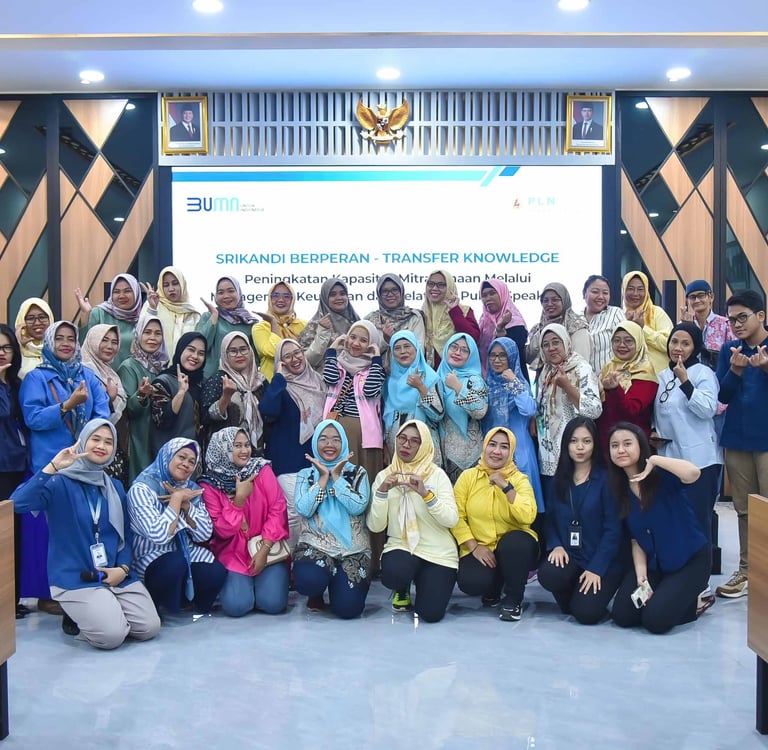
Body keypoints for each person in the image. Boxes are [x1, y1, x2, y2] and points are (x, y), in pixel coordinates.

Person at [12, 420, 160, 648]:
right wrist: (52, 467)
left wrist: (123, 568)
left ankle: (103, 609)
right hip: (75, 578)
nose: (101, 446)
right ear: (82, 442)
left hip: (114, 575)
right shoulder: (58, 482)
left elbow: (126, 534)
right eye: (95, 439)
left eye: (109, 442)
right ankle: (88, 613)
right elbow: (18, 503)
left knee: (149, 628)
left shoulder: (114, 486)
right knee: (112, 637)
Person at [608, 422, 709, 634]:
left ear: (641, 445)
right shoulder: (619, 490)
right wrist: (641, 574)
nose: (621, 450)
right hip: (656, 565)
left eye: (627, 444)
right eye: (614, 445)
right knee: (623, 616)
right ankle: (669, 594)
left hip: (689, 560)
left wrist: (655, 459)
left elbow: (693, 473)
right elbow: (635, 539)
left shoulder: (661, 475)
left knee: (655, 621)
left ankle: (694, 600)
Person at [653, 322, 722, 613]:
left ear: (695, 347)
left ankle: (701, 586)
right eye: (674, 342)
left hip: (700, 462)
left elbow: (707, 410)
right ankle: (680, 578)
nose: (678, 348)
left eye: (685, 343)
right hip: (671, 460)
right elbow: (661, 414)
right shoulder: (662, 375)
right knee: (676, 521)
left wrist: (685, 382)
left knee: (698, 524)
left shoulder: (703, 373)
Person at [368, 420, 459, 622]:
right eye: (402, 438)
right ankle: (403, 585)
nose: (406, 445)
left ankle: (424, 580)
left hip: (438, 551)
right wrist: (382, 492)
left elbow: (451, 519)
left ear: (424, 445)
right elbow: (375, 526)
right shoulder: (384, 476)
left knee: (430, 615)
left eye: (414, 441)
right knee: (395, 573)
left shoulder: (437, 475)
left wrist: (426, 495)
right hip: (402, 546)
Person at [537, 417, 623, 624]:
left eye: (586, 441)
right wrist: (556, 545)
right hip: (571, 554)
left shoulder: (607, 480)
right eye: (574, 441)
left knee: (586, 614)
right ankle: (576, 594)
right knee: (549, 575)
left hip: (601, 559)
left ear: (595, 444)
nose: (580, 447)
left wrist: (596, 568)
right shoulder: (558, 480)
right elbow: (550, 520)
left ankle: (588, 594)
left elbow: (613, 531)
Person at [127, 438, 226, 614]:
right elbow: (159, 535)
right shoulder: (142, 489)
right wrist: (176, 500)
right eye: (181, 457)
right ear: (168, 456)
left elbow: (204, 534)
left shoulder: (191, 489)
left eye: (192, 461)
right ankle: (157, 605)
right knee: (174, 564)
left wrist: (187, 506)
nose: (186, 464)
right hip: (151, 555)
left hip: (184, 551)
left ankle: (190, 605)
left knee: (215, 571)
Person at [452, 427, 539, 621]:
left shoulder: (520, 479)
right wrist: (474, 546)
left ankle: (514, 599)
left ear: (511, 451)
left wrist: (506, 487)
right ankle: (493, 587)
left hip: (515, 549)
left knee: (514, 543)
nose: (497, 451)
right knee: (471, 582)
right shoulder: (468, 477)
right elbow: (456, 516)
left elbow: (528, 516)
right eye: (492, 444)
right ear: (484, 447)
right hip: (481, 546)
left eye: (504, 447)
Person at [200, 428, 289, 617]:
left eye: (247, 445)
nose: (245, 451)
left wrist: (264, 549)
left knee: (273, 604)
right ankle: (248, 588)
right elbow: (222, 530)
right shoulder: (209, 485)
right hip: (233, 554)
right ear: (223, 449)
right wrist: (238, 501)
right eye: (237, 446)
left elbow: (277, 509)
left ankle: (261, 586)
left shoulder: (261, 470)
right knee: (237, 607)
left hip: (266, 548)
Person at [715, 290, 768, 598]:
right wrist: (735, 370)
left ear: (761, 316)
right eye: (732, 320)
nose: (736, 325)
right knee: (744, 509)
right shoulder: (729, 350)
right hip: (737, 439)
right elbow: (722, 395)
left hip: (766, 440)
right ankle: (747, 571)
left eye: (742, 317)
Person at [293, 420, 371, 618]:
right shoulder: (305, 475)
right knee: (309, 580)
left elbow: (358, 506)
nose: (330, 444)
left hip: (353, 550)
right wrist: (322, 479)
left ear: (344, 443)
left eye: (336, 439)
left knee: (348, 609)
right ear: (315, 443)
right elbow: (304, 509)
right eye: (323, 439)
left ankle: (337, 583)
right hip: (316, 546)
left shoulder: (358, 473)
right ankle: (317, 590)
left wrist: (336, 478)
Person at [258, 339, 325, 549]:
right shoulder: (280, 386)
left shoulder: (318, 381)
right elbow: (268, 410)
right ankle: (291, 557)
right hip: (287, 459)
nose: (294, 359)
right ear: (280, 361)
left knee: (315, 510)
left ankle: (310, 554)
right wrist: (278, 378)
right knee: (294, 512)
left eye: (297, 353)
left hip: (315, 458)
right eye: (287, 356)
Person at [536, 324, 602, 485]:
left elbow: (595, 410)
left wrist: (567, 387)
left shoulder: (581, 368)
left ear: (566, 342)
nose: (551, 348)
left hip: (573, 450)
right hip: (547, 452)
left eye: (556, 342)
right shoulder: (546, 371)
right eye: (546, 344)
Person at [483, 337, 543, 512]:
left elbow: (529, 409)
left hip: (519, 452)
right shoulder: (487, 385)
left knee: (522, 503)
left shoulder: (519, 383)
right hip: (494, 452)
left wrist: (513, 381)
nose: (497, 360)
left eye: (502, 355)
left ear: (511, 357)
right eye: (493, 355)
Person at [117, 315, 169, 482]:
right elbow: (128, 409)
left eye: (157, 333)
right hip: (140, 436)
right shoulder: (129, 366)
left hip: (160, 435)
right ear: (138, 335)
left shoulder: (163, 366)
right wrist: (141, 395)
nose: (152, 338)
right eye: (147, 332)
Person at [0, 325, 30, 618]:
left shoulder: (18, 385)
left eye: (6, 347)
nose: (1, 353)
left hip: (16, 467)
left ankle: (12, 598)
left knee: (13, 534)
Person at [432, 333, 488, 483]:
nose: (457, 352)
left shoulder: (474, 380)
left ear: (471, 355)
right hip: (442, 455)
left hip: (469, 456)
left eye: (464, 350)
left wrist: (459, 387)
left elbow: (480, 411)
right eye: (454, 347)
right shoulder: (437, 377)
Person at [597, 321, 658, 458]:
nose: (622, 345)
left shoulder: (645, 373)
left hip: (633, 445)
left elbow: (631, 411)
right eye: (616, 340)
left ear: (639, 342)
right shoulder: (608, 368)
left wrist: (614, 390)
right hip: (606, 442)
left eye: (628, 341)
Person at [383, 330, 443, 466]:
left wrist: (420, 386)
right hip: (396, 449)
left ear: (416, 348)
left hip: (423, 446)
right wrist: (384, 444)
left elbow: (438, 414)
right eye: (397, 348)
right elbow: (383, 417)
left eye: (407, 346)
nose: (403, 351)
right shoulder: (389, 380)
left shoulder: (430, 377)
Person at [201, 331, 265, 453]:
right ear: (225, 354)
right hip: (227, 454)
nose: (239, 355)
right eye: (233, 351)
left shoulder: (260, 381)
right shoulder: (218, 380)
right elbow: (206, 418)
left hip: (258, 453)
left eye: (243, 349)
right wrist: (226, 397)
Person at [149, 332, 207, 456]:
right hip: (169, 458)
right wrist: (181, 393)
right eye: (191, 350)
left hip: (194, 458)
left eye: (201, 353)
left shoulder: (202, 383)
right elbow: (161, 421)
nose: (195, 356)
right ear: (180, 350)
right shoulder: (163, 382)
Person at [75, 273, 143, 367]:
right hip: (100, 373)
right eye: (116, 292)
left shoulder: (142, 319)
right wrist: (86, 314)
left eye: (127, 291)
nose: (121, 296)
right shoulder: (99, 313)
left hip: (131, 374)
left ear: (136, 293)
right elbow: (83, 345)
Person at [197, 276, 258, 379]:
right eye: (220, 292)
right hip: (211, 380)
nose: (226, 296)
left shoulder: (249, 321)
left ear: (239, 293)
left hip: (242, 381)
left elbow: (255, 358)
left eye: (231, 291)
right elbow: (201, 346)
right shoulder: (209, 316)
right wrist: (214, 316)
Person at [527, 283, 591, 376]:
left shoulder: (577, 327)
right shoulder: (537, 328)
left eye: (555, 300)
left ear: (564, 300)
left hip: (571, 380)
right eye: (545, 300)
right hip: (545, 381)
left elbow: (581, 362)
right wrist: (542, 331)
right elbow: (529, 358)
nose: (549, 304)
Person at [365, 273, 426, 368]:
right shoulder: (370, 320)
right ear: (379, 295)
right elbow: (365, 352)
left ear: (401, 292)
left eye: (394, 290)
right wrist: (385, 341)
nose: (390, 294)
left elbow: (419, 349)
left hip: (408, 372)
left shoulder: (413, 317)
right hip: (376, 374)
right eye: (385, 291)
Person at [298, 277, 360, 370]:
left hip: (356, 377)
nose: (339, 298)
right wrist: (323, 332)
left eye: (342, 293)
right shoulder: (315, 325)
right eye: (333, 294)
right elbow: (306, 361)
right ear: (325, 298)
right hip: (324, 377)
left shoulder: (356, 322)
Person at [422, 269, 480, 367]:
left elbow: (473, 338)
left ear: (449, 288)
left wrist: (454, 311)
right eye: (430, 284)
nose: (434, 288)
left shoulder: (464, 311)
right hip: (430, 373)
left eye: (441, 285)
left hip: (456, 371)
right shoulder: (423, 313)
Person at [251, 281, 306, 382]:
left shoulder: (303, 325)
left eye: (286, 296)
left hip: (301, 383)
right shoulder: (260, 327)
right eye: (275, 295)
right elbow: (273, 352)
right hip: (272, 383)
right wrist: (273, 323)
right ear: (270, 298)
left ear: (292, 299)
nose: (280, 300)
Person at [621, 271, 673, 375]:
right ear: (624, 290)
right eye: (630, 288)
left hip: (658, 377)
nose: (635, 294)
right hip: (628, 378)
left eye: (640, 289)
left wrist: (643, 328)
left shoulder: (656, 313)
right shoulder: (619, 316)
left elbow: (669, 345)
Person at [140, 266, 201, 355]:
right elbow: (140, 334)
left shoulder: (192, 314)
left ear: (182, 284)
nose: (171, 289)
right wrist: (152, 309)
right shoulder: (153, 304)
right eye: (166, 285)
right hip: (156, 362)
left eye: (175, 283)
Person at [478, 278, 529, 381]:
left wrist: (500, 329)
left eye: (492, 293)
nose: (488, 298)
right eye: (484, 295)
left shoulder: (515, 321)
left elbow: (513, 353)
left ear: (503, 294)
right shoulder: (483, 322)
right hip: (488, 381)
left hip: (513, 381)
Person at [679, 279, 730, 371]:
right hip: (689, 374)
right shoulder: (684, 324)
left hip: (718, 374)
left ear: (711, 297)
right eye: (692, 297)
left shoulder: (725, 325)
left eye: (701, 295)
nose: (697, 300)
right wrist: (687, 327)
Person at [582, 274, 625, 373]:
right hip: (581, 379)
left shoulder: (615, 313)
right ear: (584, 294)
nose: (600, 297)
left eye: (605, 293)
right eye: (595, 292)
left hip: (610, 378)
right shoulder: (575, 318)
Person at [14, 297, 54, 378]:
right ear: (22, 322)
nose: (37, 323)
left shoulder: (59, 349)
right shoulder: (12, 352)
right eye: (30, 318)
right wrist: (16, 345)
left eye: (42, 317)